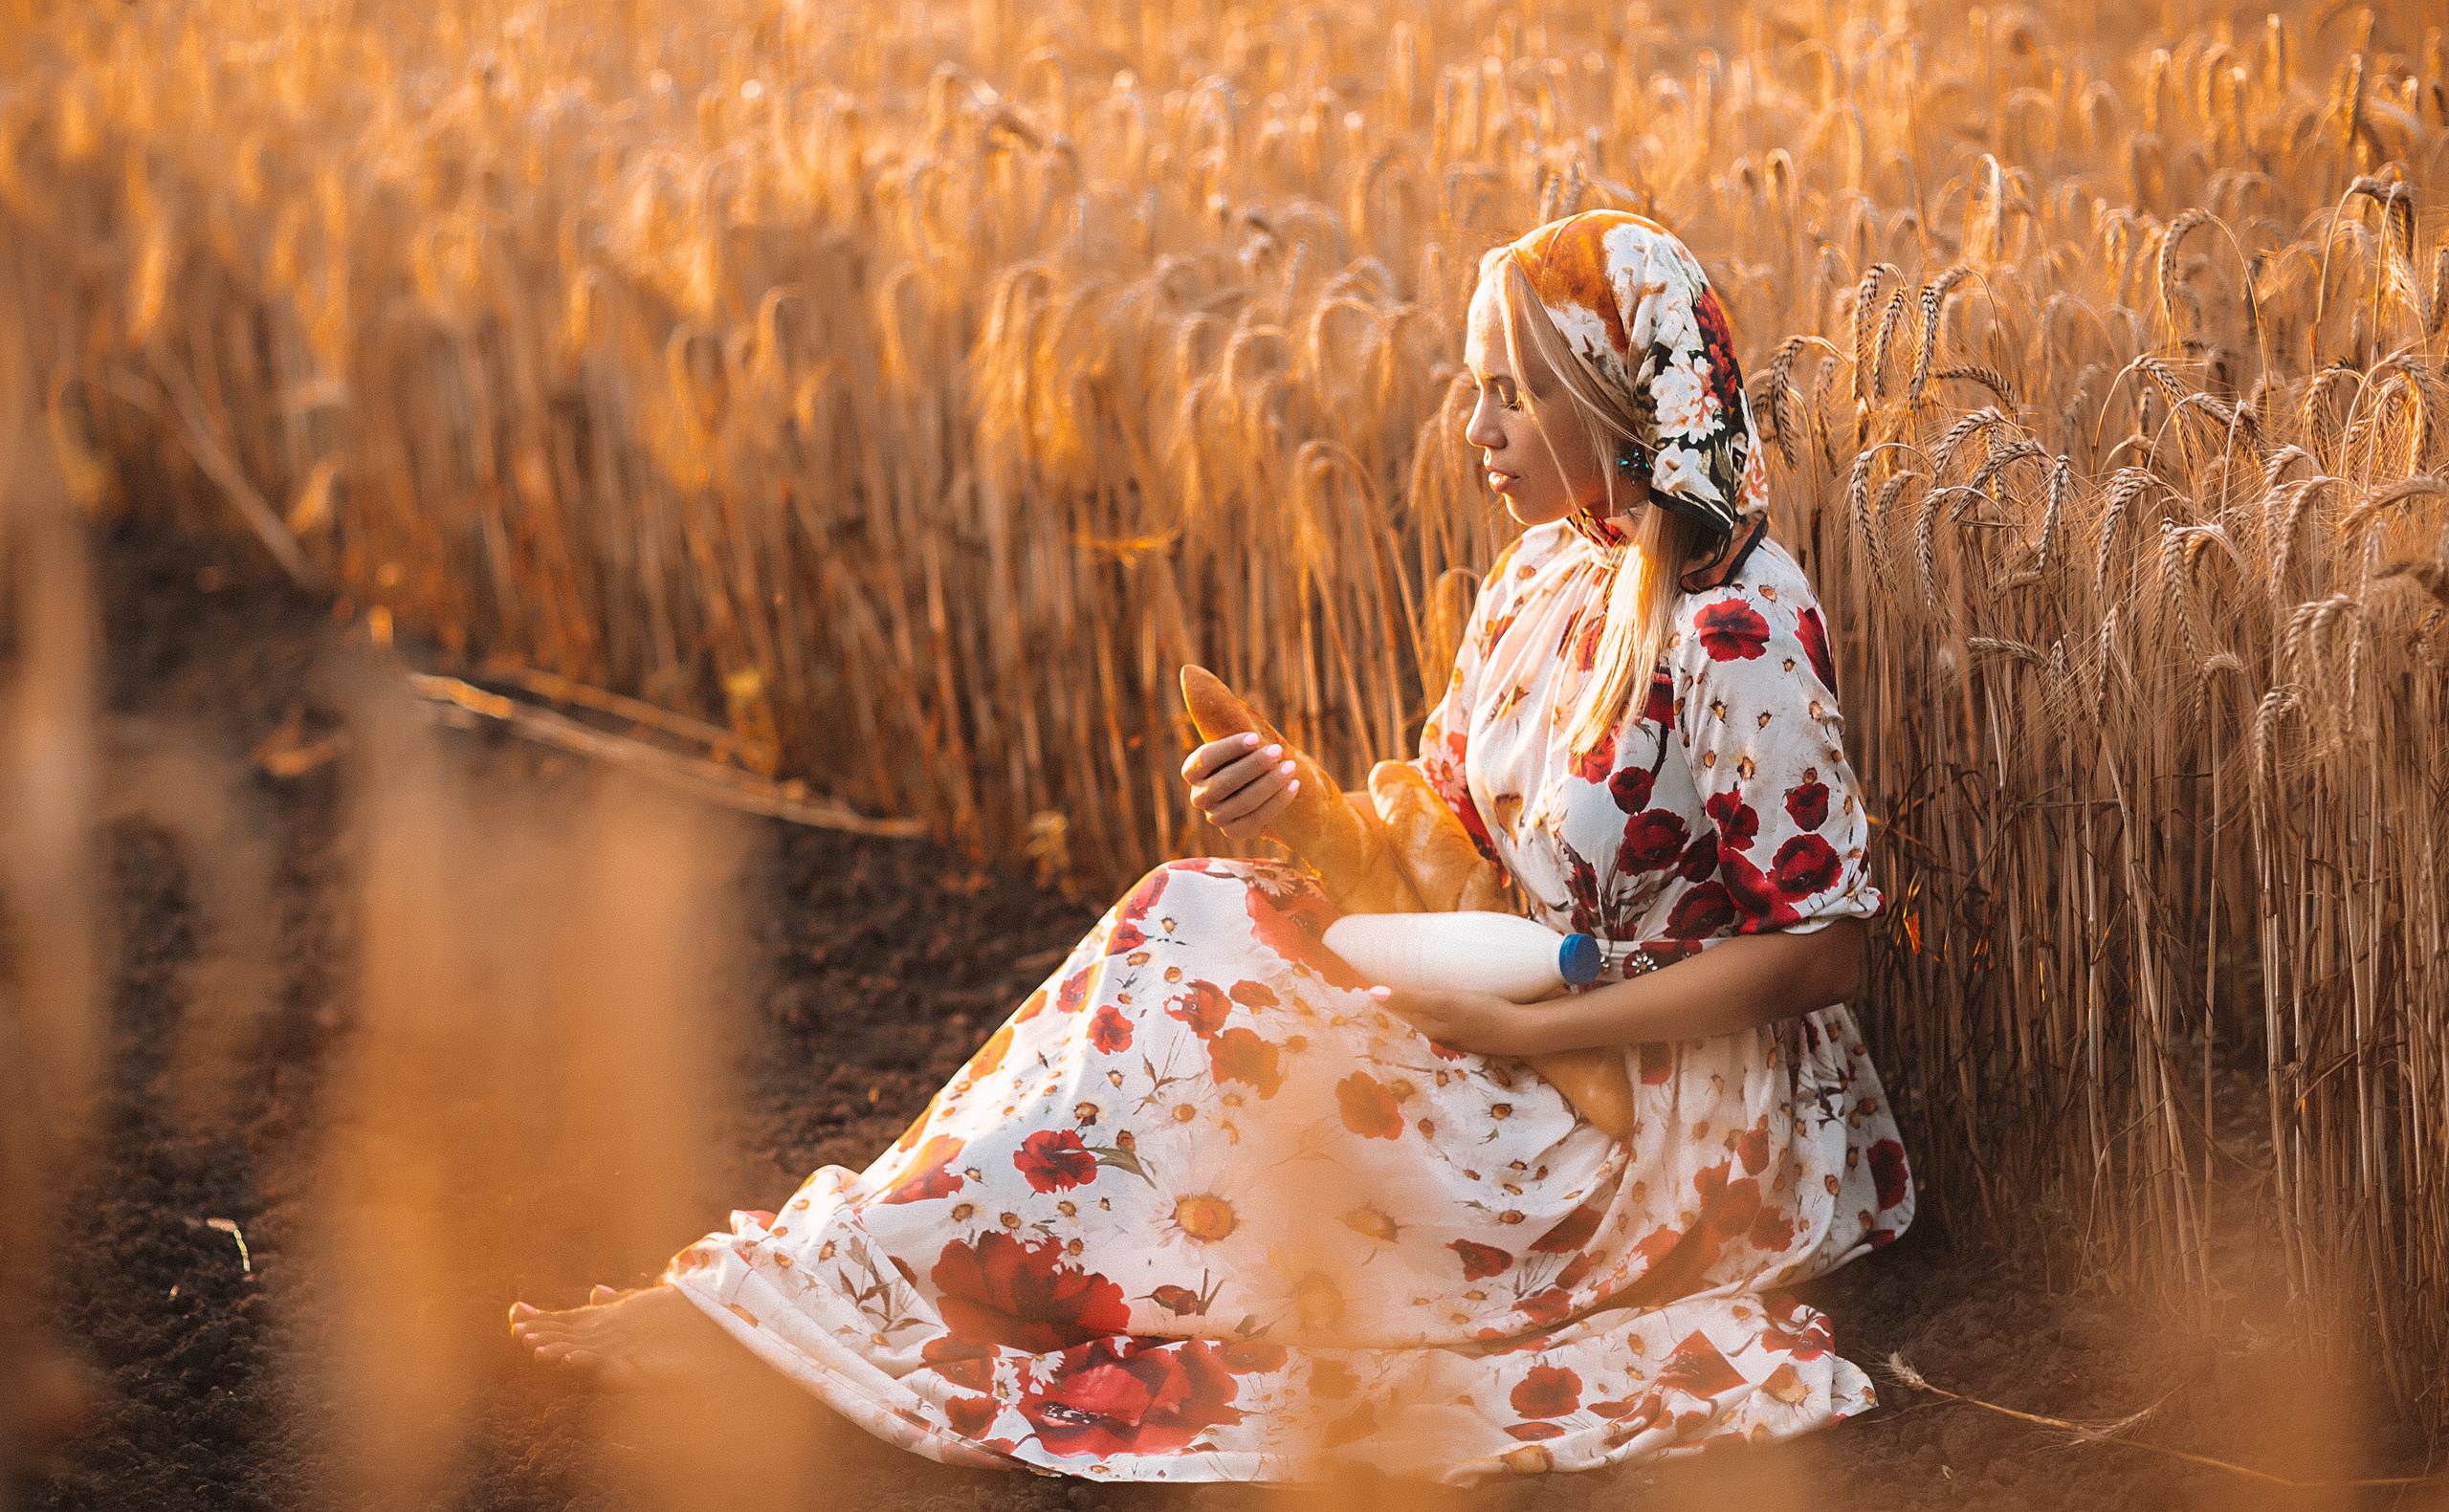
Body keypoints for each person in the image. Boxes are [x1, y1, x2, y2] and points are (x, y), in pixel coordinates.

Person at [512, 210, 1912, 1484]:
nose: (1475, 424)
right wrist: (1297, 811)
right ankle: (830, 1279)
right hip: (1506, 1013)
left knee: (1220, 1040)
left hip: (1652, 1125)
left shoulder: (1735, 626)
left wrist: (1525, 1026)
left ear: (1614, 405)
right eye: (1474, 384)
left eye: (1517, 390)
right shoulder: (1545, 571)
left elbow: (1824, 952)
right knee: (1186, 920)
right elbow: (1429, 859)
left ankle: (821, 1305)